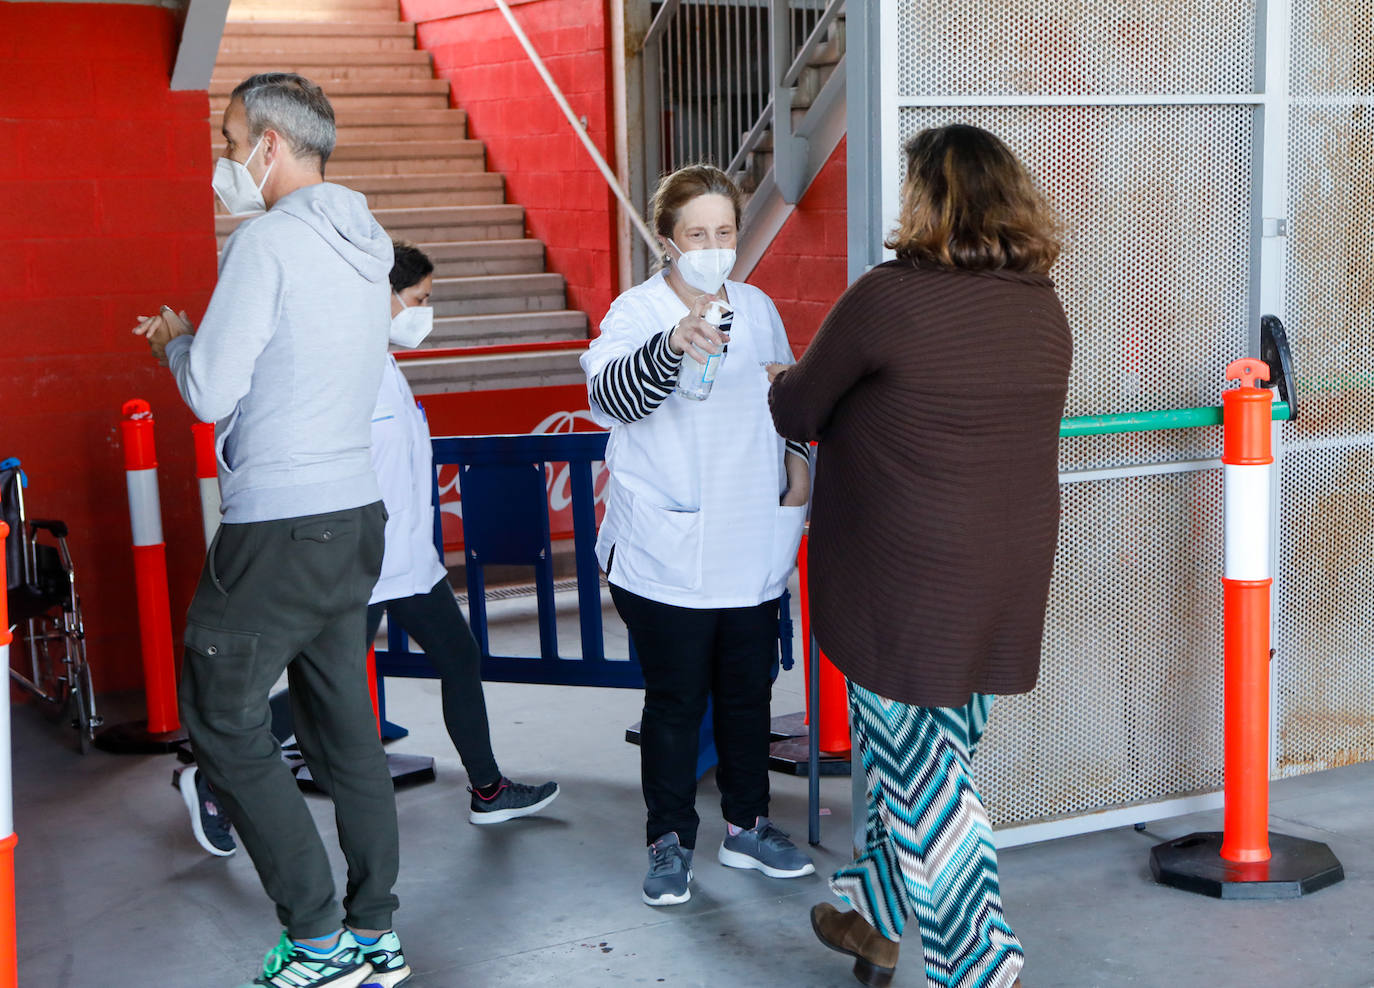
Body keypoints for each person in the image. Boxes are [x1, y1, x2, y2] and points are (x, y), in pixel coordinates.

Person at [768, 123, 1072, 988]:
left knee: (925, 778)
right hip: (1004, 575)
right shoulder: (1040, 303)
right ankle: (876, 921)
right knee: (928, 757)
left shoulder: (888, 298)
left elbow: (800, 410)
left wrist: (778, 383)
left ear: (927, 200)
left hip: (904, 583)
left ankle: (979, 963)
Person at [134, 73, 410, 988]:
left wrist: (179, 343)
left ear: (271, 146)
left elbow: (213, 390)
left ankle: (319, 939)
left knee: (221, 718)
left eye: (230, 138)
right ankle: (376, 933)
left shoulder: (265, 244)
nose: (224, 159)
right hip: (353, 516)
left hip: (279, 527)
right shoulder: (366, 243)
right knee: (347, 729)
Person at [581, 164, 815, 907]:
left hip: (750, 539)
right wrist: (671, 347)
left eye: (724, 231)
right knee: (676, 702)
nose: (714, 246)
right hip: (664, 551)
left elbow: (785, 397)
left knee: (748, 693)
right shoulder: (636, 311)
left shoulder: (758, 306)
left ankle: (747, 827)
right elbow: (609, 397)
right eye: (697, 234)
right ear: (666, 239)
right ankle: (669, 840)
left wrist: (798, 464)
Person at [369, 240, 559, 824]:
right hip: (364, 562)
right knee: (324, 689)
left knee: (457, 654)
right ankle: (218, 772)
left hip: (403, 561)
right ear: (383, 296)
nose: (427, 313)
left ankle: (488, 789)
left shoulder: (381, 365)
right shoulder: (350, 373)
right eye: (420, 299)